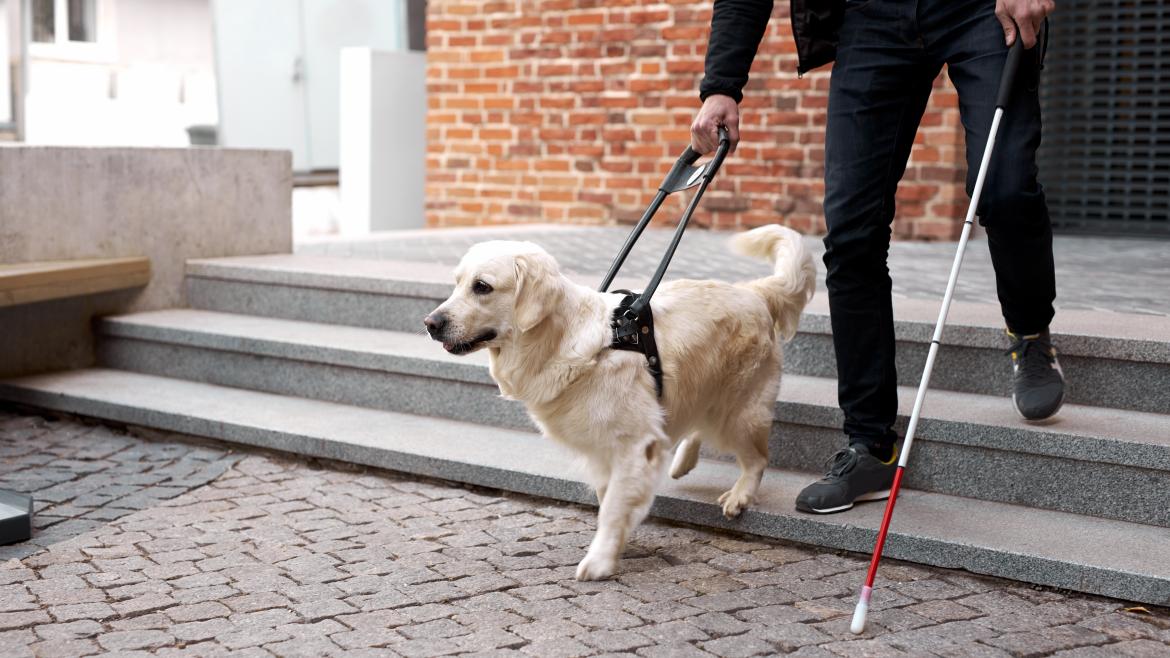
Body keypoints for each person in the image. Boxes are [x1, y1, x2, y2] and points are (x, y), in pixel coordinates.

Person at [690, 0, 1064, 514]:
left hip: (980, 10)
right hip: (872, 17)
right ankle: (871, 445)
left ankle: (1028, 330)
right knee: (851, 234)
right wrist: (722, 85)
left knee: (1002, 190)